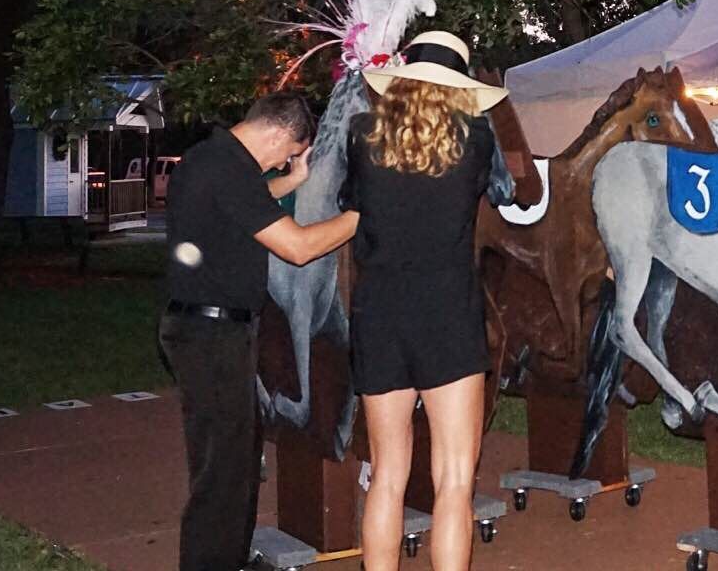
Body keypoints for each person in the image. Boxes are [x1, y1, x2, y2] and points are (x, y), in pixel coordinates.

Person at [159, 91, 358, 571]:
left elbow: (243, 202)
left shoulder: (210, 158)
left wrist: (292, 180)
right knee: (222, 470)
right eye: (287, 153)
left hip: (204, 329)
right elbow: (298, 247)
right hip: (211, 335)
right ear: (275, 132)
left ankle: (230, 557)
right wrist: (362, 216)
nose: (283, 162)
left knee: (240, 459)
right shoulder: (229, 170)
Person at [340, 30, 509, 571]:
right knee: (455, 481)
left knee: (387, 474)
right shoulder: (476, 136)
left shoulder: (363, 133)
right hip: (448, 313)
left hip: (380, 312)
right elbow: (502, 191)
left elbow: (352, 205)